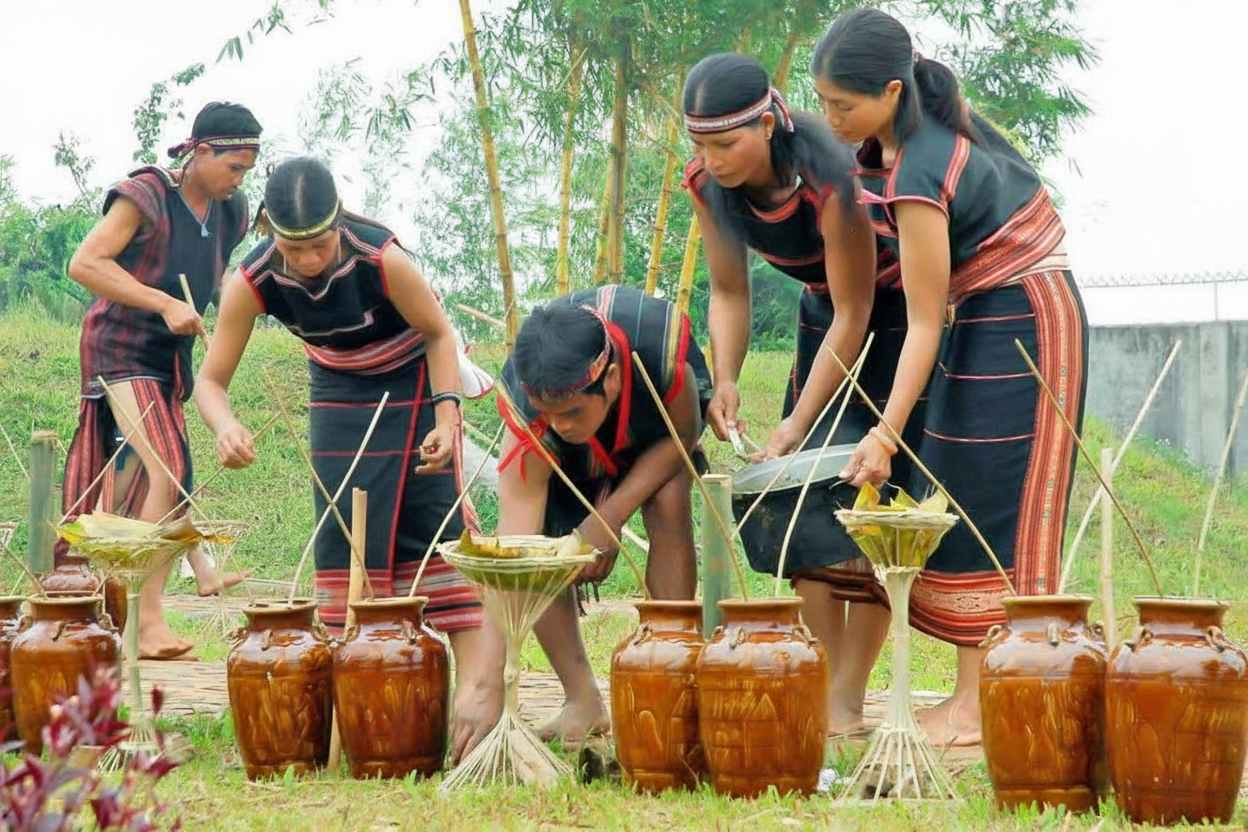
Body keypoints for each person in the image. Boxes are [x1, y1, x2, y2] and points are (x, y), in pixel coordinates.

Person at [809, 8, 1088, 746]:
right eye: (824, 102)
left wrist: (884, 433)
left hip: (1026, 316)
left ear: (892, 92)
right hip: (985, 310)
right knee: (961, 491)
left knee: (1000, 502)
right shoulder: (900, 143)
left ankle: (984, 700)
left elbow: (923, 320)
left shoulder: (921, 166)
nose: (831, 119)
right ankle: (979, 694)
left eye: (844, 105)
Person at [194, 155, 502, 763]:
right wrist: (225, 427)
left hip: (415, 380)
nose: (309, 260)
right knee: (342, 539)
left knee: (433, 526)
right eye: (294, 248)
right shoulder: (253, 279)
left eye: (320, 245)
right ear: (270, 233)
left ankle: (476, 714)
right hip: (337, 390)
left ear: (339, 224)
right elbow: (210, 382)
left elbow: (439, 333)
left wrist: (446, 419)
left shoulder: (380, 257)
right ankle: (352, 713)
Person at [682, 53, 898, 738]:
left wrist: (794, 426)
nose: (711, 160)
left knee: (872, 509)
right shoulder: (706, 183)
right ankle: (824, 685)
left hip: (893, 322)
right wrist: (725, 377)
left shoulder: (833, 177)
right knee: (802, 503)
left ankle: (849, 699)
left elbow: (856, 311)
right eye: (700, 145)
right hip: (824, 321)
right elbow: (728, 290)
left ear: (770, 123)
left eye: (726, 143)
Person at [61, 101, 261, 660]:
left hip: (168, 358)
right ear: (201, 152)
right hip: (119, 347)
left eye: (246, 170)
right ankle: (146, 624)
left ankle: (117, 602)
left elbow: (216, 276)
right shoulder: (146, 194)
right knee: (168, 469)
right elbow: (85, 263)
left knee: (159, 476)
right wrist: (164, 302)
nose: (239, 180)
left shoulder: (232, 210)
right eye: (233, 167)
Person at [495, 285, 712, 742]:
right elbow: (517, 545)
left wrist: (607, 517)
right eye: (550, 414)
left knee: (669, 500)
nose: (562, 426)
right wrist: (485, 682)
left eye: (573, 412)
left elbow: (684, 433)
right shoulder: (528, 398)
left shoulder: (659, 349)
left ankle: (669, 678)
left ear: (610, 379)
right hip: (569, 462)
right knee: (541, 548)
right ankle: (582, 700)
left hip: (659, 432)